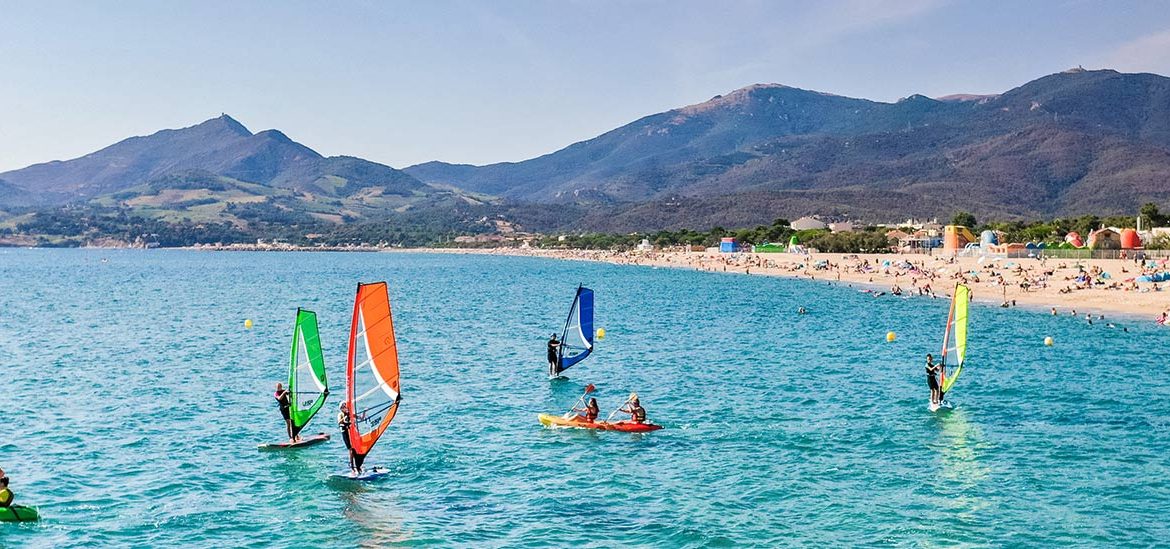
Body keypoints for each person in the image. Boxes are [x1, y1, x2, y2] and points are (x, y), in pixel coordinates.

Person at [338, 402, 359, 474]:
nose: (345, 408)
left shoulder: (349, 414)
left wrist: (364, 413)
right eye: (343, 407)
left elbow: (359, 417)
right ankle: (352, 466)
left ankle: (358, 465)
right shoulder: (340, 415)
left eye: (346, 407)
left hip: (352, 433)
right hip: (345, 433)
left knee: (355, 449)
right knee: (351, 449)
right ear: (341, 409)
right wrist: (345, 417)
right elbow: (339, 421)